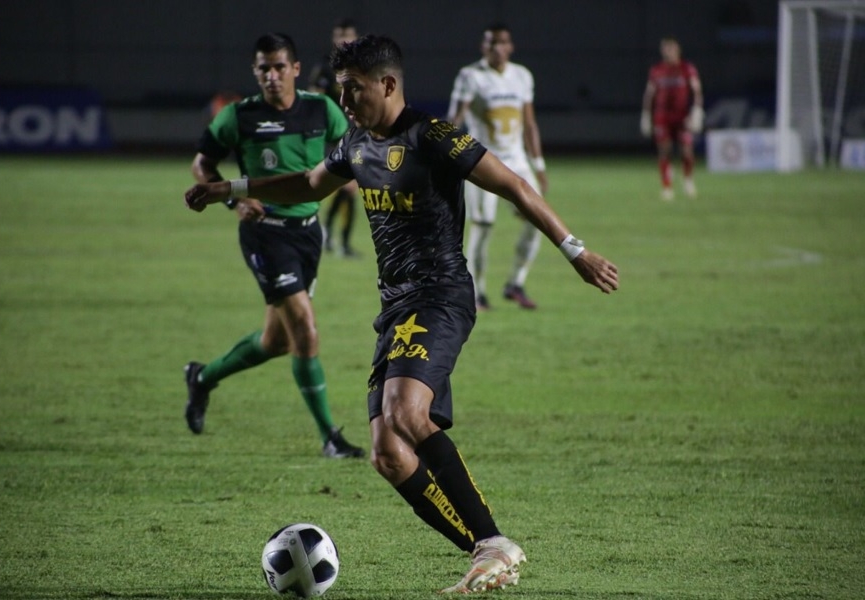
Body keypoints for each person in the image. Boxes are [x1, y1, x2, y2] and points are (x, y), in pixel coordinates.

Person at [185, 34, 619, 594]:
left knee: (406, 412)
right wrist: (231, 187)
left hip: (440, 295)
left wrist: (575, 250)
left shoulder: (433, 136)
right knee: (388, 453)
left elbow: (513, 185)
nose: (345, 103)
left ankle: (492, 540)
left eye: (354, 90)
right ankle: (483, 551)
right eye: (340, 91)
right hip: (395, 306)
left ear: (387, 84)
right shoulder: (356, 145)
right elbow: (312, 184)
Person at [184, 33, 364, 459]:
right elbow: (201, 163)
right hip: (266, 233)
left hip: (307, 233)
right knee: (305, 327)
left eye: (279, 66)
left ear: (296, 69)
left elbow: (348, 149)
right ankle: (330, 438)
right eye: (263, 68)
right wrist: (233, 199)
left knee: (276, 342)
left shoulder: (321, 109)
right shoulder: (239, 116)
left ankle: (203, 378)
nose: (271, 76)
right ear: (255, 72)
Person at [448, 23, 547, 310]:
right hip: (482, 162)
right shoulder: (471, 76)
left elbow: (529, 123)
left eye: (502, 43)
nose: (497, 49)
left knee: (538, 220)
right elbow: (456, 117)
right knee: (483, 226)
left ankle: (515, 282)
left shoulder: (521, 76)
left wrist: (538, 164)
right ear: (484, 47)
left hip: (517, 162)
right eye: (491, 43)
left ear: (510, 46)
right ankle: (476, 292)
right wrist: (446, 154)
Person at [309, 18, 361, 258]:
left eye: (347, 35)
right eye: (339, 35)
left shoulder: (362, 67)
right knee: (349, 187)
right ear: (333, 38)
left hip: (357, 135)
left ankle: (329, 235)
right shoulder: (325, 67)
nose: (343, 40)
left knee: (346, 189)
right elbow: (313, 101)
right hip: (332, 138)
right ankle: (341, 243)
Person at [640, 36, 704, 201]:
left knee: (686, 151)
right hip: (662, 116)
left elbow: (696, 90)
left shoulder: (686, 68)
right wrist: (646, 115)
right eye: (665, 49)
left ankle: (688, 181)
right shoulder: (657, 70)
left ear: (677, 50)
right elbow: (649, 94)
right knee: (664, 150)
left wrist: (697, 110)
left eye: (671, 49)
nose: (668, 53)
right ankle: (667, 187)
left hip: (682, 116)